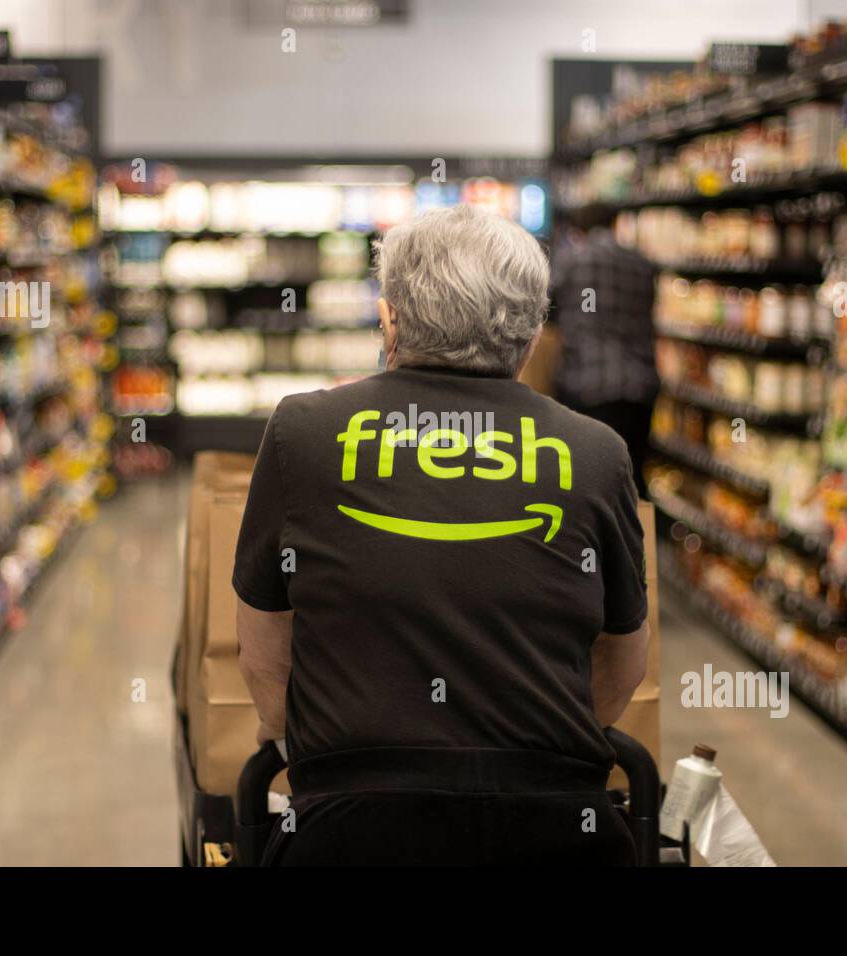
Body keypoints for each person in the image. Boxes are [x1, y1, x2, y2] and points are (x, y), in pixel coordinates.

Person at [233, 205, 650, 866]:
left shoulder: (302, 432)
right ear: (534, 330)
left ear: (389, 318)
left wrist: (326, 758)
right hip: (555, 830)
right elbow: (622, 665)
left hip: (349, 830)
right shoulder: (596, 452)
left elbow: (263, 654)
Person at [551, 202, 658, 493]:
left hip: (588, 384)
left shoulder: (571, 260)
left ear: (579, 228)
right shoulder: (642, 263)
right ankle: (637, 538)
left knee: (587, 482)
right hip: (639, 387)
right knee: (632, 481)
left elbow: (546, 310)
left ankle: (594, 540)